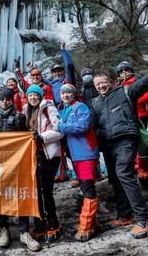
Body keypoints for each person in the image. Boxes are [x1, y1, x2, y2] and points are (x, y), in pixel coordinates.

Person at [90, 52, 148, 239]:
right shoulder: (95, 103)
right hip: (108, 143)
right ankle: (125, 215)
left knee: (124, 173)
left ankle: (145, 219)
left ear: (111, 81)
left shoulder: (125, 92)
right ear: (94, 86)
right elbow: (92, 125)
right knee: (115, 178)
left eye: (103, 81)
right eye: (97, 84)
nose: (101, 85)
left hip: (126, 138)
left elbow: (144, 83)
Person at [0, 88, 41, 251]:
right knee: (0, 195)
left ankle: (24, 231)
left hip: (17, 162)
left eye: (8, 99)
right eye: (2, 99)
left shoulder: (20, 116)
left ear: (12, 100)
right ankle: (3, 228)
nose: (5, 102)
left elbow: (24, 136)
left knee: (20, 193)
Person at [54, 84, 99, 241]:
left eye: (68, 92)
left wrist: (61, 126)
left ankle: (86, 226)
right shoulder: (63, 109)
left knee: (87, 187)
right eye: (63, 92)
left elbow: (84, 126)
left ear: (74, 94)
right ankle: (93, 224)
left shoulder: (81, 107)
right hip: (74, 154)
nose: (65, 95)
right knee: (84, 185)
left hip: (85, 152)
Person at [23, 84, 63, 243]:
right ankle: (39, 225)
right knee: (35, 190)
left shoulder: (49, 108)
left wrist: (42, 137)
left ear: (40, 96)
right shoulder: (26, 110)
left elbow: (60, 130)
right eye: (30, 95)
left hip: (49, 154)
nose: (33, 98)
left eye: (36, 95)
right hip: (34, 155)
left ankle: (53, 223)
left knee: (46, 189)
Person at [116, 61, 148, 181]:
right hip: (126, 118)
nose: (124, 72)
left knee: (142, 142)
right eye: (121, 71)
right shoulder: (118, 85)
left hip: (140, 115)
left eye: (126, 69)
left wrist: (133, 100)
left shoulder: (139, 81)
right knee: (129, 143)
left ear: (131, 70)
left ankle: (144, 169)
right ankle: (134, 164)